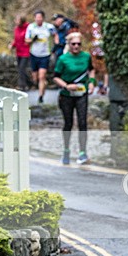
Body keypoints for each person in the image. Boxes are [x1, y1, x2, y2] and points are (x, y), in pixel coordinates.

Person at [53, 32, 95, 165]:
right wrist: (66, 85)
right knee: (68, 123)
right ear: (69, 45)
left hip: (81, 94)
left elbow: (91, 70)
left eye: (78, 44)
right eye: (73, 44)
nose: (76, 46)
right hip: (67, 95)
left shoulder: (86, 57)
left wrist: (92, 82)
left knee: (82, 123)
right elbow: (55, 77)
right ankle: (66, 151)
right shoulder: (63, 59)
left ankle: (83, 152)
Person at [25, 10, 58, 104]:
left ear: (43, 18)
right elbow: (26, 41)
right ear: (34, 18)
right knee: (35, 78)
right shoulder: (31, 27)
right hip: (34, 54)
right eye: (36, 17)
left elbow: (55, 35)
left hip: (45, 55)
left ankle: (40, 96)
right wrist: (32, 39)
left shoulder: (49, 27)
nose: (38, 19)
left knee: (42, 76)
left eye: (40, 17)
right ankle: (42, 83)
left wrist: (56, 44)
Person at [9, 15, 32, 91]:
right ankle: (29, 83)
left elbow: (29, 39)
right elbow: (16, 40)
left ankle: (22, 85)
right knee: (20, 69)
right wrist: (12, 45)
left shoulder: (28, 28)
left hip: (26, 52)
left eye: (17, 20)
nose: (15, 21)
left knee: (22, 68)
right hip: (18, 52)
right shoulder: (16, 29)